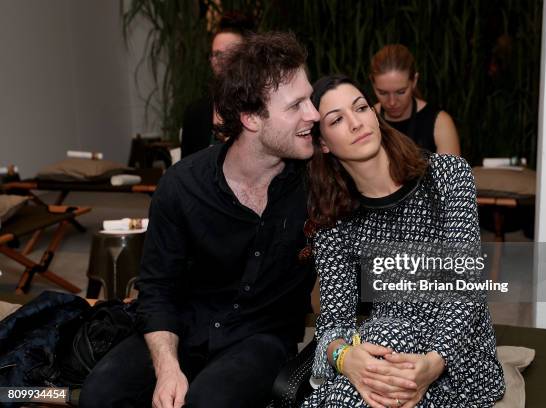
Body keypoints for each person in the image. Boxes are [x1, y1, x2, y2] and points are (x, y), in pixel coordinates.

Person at [79, 32, 320, 408]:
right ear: (251, 118)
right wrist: (168, 368)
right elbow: (157, 290)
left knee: (208, 402)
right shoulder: (182, 186)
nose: (314, 114)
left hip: (262, 337)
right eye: (297, 105)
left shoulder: (320, 182)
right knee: (99, 395)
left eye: (310, 99)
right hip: (186, 328)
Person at [301, 75, 504, 407]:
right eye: (337, 119)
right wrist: (344, 358)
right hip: (389, 350)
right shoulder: (333, 215)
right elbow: (334, 321)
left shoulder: (446, 175)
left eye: (361, 108)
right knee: (383, 343)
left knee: (382, 347)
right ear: (323, 143)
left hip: (456, 360)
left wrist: (433, 362)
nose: (356, 123)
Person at [181, 11, 254, 158]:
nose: (221, 60)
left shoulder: (259, 105)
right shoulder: (195, 112)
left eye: (230, 52)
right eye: (216, 54)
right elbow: (185, 169)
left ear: (247, 56)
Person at [370, 44, 461, 155]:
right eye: (383, 93)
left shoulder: (439, 123)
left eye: (401, 92)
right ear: (373, 85)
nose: (392, 102)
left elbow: (451, 172)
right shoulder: (366, 121)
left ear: (414, 81)